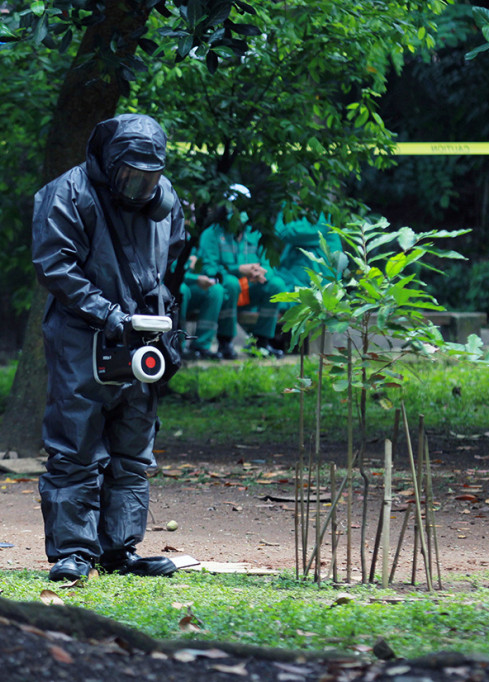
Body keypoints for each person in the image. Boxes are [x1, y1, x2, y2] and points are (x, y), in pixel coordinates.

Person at [32, 114, 187, 581]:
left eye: (149, 178)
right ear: (110, 164)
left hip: (143, 337)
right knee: (75, 444)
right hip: (83, 337)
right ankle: (74, 552)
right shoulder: (68, 192)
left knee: (133, 447)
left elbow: (171, 262)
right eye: (130, 177)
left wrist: (162, 327)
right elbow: (55, 266)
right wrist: (108, 314)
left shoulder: (165, 200)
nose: (140, 188)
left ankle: (119, 549)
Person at [197, 184, 288, 359]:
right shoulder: (212, 234)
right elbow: (210, 269)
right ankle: (225, 342)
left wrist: (261, 273)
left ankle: (261, 342)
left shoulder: (255, 234)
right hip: (227, 290)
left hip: (251, 289)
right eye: (234, 205)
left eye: (242, 205)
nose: (238, 211)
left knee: (277, 284)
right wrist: (238, 270)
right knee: (231, 283)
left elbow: (269, 265)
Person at [178, 251, 224, 360]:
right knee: (182, 290)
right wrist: (195, 277)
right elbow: (169, 271)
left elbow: (211, 266)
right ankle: (178, 343)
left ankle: (202, 346)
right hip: (176, 284)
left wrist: (208, 276)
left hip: (195, 287)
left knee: (216, 290)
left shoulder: (198, 243)